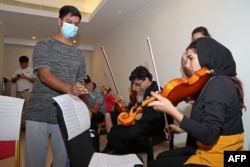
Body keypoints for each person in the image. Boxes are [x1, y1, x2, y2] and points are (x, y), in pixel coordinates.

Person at [148, 37, 245, 167]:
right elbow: (211, 123)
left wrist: (172, 110)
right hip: (216, 149)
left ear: (206, 56)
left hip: (221, 156)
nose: (187, 65)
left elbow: (209, 136)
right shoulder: (218, 81)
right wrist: (182, 128)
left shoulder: (218, 84)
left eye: (191, 58)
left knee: (156, 164)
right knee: (161, 157)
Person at [24, 5, 88, 167]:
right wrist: (69, 88)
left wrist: (84, 104)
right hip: (39, 112)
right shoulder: (43, 45)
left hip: (66, 115)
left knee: (63, 161)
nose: (72, 26)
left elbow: (80, 81)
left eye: (76, 24)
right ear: (59, 21)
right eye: (69, 21)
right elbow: (44, 76)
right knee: (35, 162)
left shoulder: (78, 54)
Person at [103, 65, 165, 154]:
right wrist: (126, 105)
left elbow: (158, 116)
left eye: (138, 84)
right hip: (142, 123)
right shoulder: (145, 91)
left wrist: (141, 116)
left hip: (152, 126)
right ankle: (122, 150)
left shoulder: (157, 91)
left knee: (114, 134)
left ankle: (123, 153)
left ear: (146, 79)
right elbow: (136, 109)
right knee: (114, 130)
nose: (138, 87)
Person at [11, 55, 36, 129]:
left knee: (27, 109)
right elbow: (12, 80)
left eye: (24, 64)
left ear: (27, 63)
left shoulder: (31, 70)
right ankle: (21, 125)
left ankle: (27, 125)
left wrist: (26, 77)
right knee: (19, 109)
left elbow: (34, 80)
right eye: (21, 64)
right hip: (18, 92)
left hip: (27, 92)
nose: (22, 65)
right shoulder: (17, 70)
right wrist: (17, 77)